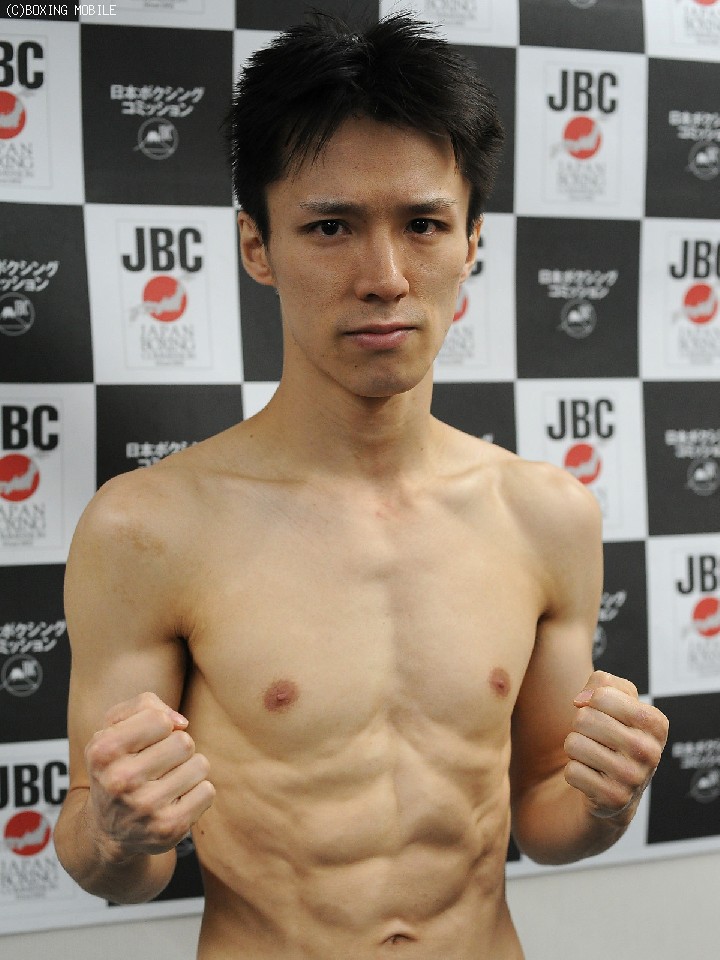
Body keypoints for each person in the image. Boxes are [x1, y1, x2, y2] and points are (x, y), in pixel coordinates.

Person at [54, 13, 669, 960]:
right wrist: (116, 833)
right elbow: (107, 856)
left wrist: (605, 800)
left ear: (471, 241)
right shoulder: (148, 525)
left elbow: (547, 821)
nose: (385, 277)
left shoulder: (546, 513)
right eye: (331, 227)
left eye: (423, 224)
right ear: (258, 246)